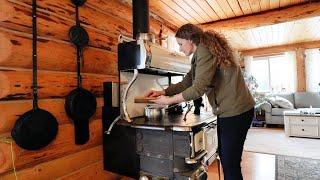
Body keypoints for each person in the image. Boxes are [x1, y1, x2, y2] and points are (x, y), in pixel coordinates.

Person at [145, 24, 255, 180]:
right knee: (227, 159)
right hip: (232, 111)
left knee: (230, 163)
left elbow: (198, 89)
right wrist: (162, 92)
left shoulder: (204, 50)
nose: (180, 49)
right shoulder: (200, 54)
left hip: (236, 112)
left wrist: (169, 101)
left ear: (190, 40)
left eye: (181, 44)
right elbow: (186, 83)